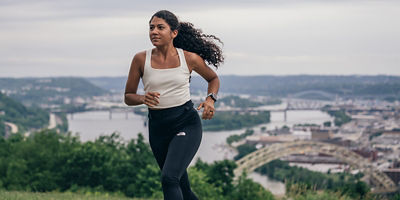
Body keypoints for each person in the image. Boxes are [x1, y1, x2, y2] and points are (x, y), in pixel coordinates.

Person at [124, 10, 224, 200]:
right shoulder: (140, 59)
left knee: (169, 179)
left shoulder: (189, 58)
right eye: (151, 27)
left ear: (174, 33)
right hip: (158, 128)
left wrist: (210, 99)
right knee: (182, 188)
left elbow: (213, 78)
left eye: (160, 27)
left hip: (185, 123)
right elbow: (128, 96)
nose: (154, 31)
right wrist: (143, 98)